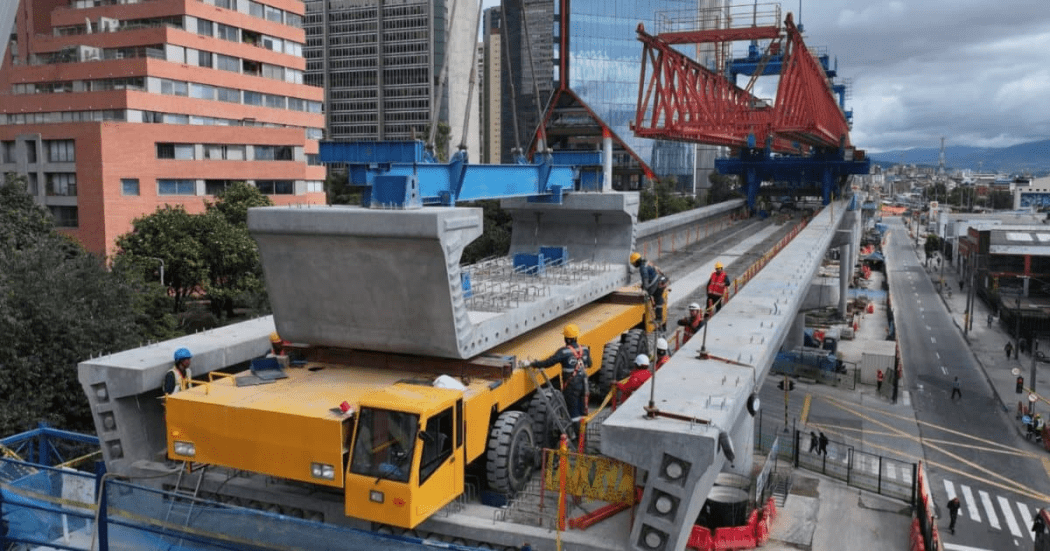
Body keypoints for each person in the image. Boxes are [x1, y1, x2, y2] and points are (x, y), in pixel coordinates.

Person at [530, 324, 592, 419]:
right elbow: (590, 364)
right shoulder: (584, 349)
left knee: (573, 413)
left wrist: (535, 364)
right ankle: (582, 432)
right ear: (576, 337)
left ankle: (574, 433)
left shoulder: (563, 352)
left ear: (567, 339)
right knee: (583, 410)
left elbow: (549, 362)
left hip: (571, 388)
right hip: (584, 384)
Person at [630, 252, 668, 329]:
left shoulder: (642, 268)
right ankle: (659, 316)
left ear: (637, 261)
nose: (634, 265)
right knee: (658, 298)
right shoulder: (645, 262)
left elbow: (645, 279)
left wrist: (645, 290)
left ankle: (658, 318)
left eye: (634, 263)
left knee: (647, 297)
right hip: (658, 280)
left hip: (655, 283)